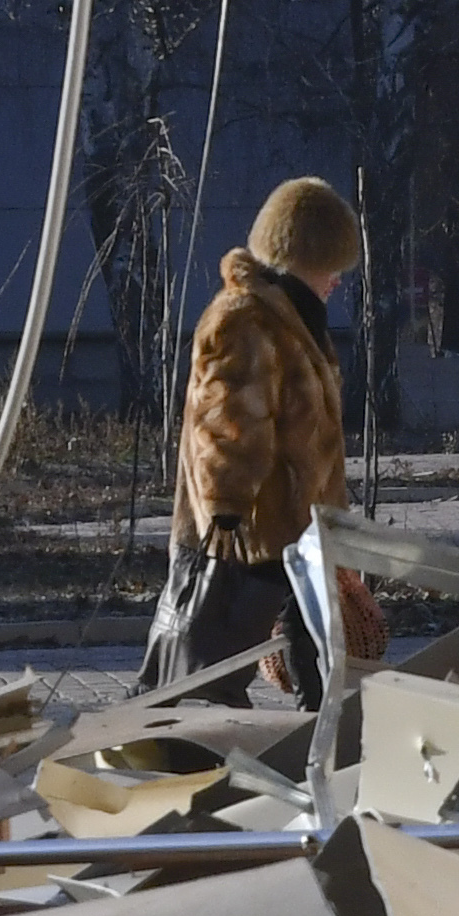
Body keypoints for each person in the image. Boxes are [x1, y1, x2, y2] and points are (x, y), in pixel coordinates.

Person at [154, 177, 383, 696]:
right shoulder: (246, 320)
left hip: (296, 524)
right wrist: (226, 506)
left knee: (310, 640)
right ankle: (191, 716)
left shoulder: (294, 321)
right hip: (254, 526)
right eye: (330, 265)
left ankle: (313, 723)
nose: (337, 280)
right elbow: (227, 420)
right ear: (304, 256)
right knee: (222, 645)